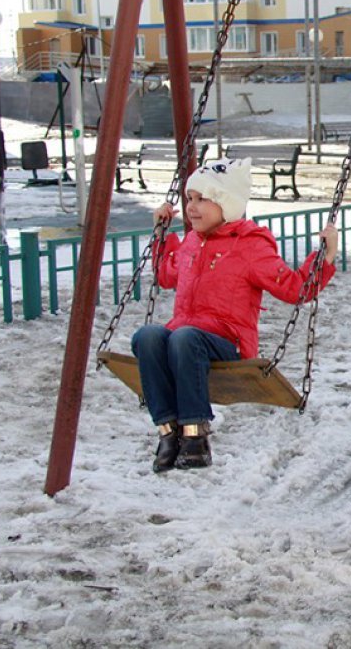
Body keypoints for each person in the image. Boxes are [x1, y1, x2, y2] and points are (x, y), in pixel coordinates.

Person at [131, 157, 339, 472]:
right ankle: (169, 432)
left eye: (203, 199)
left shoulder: (249, 246)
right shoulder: (191, 242)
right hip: (184, 338)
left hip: (226, 342)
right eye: (190, 198)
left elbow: (295, 288)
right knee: (146, 337)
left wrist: (327, 255)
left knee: (184, 339)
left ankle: (195, 437)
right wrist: (162, 235)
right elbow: (165, 275)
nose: (192, 207)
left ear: (227, 205)